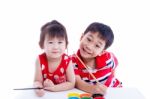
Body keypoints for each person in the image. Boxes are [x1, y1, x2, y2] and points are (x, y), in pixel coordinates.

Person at [72, 22, 122, 95]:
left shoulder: (109, 58)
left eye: (97, 46)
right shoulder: (72, 60)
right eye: (89, 39)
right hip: (92, 94)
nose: (89, 46)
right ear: (81, 37)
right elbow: (76, 82)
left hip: (115, 91)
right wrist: (92, 89)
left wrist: (111, 79)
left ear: (102, 51)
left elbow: (114, 67)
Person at [34, 20, 75, 97]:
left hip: (63, 94)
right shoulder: (40, 60)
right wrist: (37, 87)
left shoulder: (67, 60)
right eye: (50, 42)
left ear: (66, 44)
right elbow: (37, 81)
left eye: (60, 42)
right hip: (46, 95)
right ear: (42, 45)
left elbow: (71, 83)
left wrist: (54, 88)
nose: (55, 47)